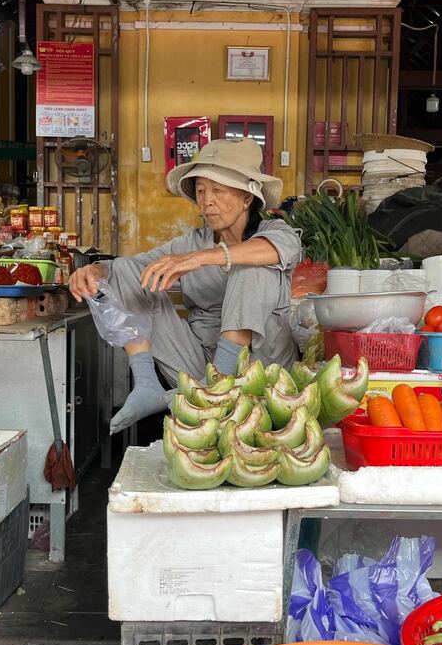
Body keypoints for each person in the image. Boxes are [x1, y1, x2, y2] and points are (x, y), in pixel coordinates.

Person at [69, 138, 301, 431]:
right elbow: (127, 268)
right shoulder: (191, 242)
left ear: (247, 198)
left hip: (262, 372)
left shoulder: (274, 232)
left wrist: (201, 259)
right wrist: (93, 270)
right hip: (199, 367)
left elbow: (278, 250)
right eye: (201, 191)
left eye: (218, 190)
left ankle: (218, 388)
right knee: (127, 269)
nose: (207, 201)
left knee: (249, 268)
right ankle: (147, 384)